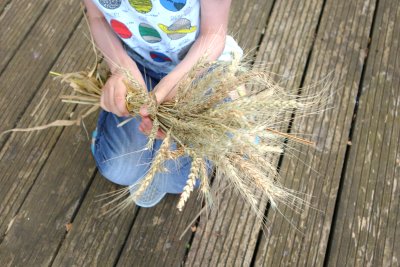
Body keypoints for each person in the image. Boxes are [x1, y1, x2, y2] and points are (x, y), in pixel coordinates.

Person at [84, 0, 242, 207]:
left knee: (178, 180)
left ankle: (233, 96)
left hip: (197, 65)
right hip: (137, 63)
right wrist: (120, 66)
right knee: (117, 168)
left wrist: (177, 83)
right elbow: (97, 17)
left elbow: (213, 32)